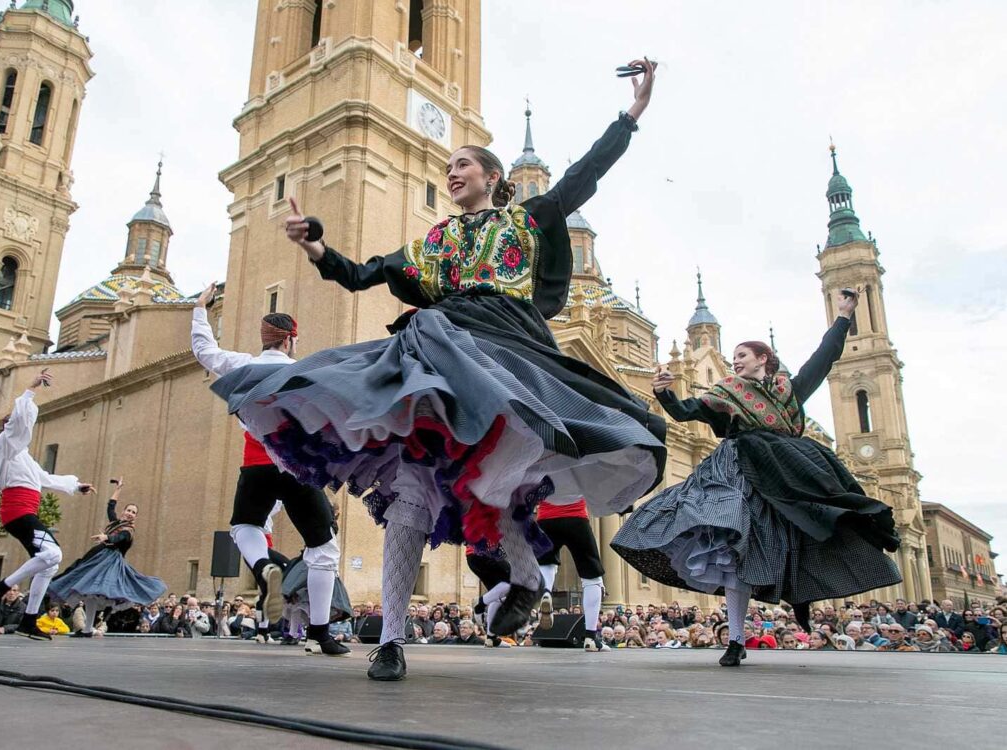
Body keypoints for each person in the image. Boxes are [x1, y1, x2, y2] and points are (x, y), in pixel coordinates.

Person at [212, 59, 666, 682]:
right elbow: (362, 272)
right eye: (448, 167)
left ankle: (527, 578)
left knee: (493, 483)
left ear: (493, 177)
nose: (451, 174)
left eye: (462, 166)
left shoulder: (526, 221)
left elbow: (585, 176)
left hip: (506, 353)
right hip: (438, 350)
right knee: (410, 495)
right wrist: (315, 244)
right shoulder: (436, 243)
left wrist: (632, 115)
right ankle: (392, 640)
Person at [612, 288, 902, 667]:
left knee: (800, 538)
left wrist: (844, 317)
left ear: (763, 359)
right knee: (734, 551)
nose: (735, 363)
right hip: (737, 471)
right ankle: (735, 639)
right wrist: (664, 394)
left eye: (742, 357)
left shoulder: (789, 392)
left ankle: (801, 595)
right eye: (732, 359)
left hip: (787, 473)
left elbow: (824, 358)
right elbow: (686, 412)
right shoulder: (726, 395)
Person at [191, 287, 347, 657]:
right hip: (297, 467)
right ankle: (319, 634)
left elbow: (204, 350)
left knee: (245, 525)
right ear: (291, 340)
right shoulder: (305, 371)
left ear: (264, 338)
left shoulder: (242, 365)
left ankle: (262, 567)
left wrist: (200, 309)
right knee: (323, 549)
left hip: (255, 463)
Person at [0, 369, 96, 640]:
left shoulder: (24, 458)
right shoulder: (4, 448)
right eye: (12, 423)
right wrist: (30, 391)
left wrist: (74, 485)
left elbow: (44, 478)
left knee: (49, 565)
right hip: (17, 511)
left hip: (23, 512)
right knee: (54, 554)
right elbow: (19, 426)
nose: (18, 426)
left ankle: (29, 620)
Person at [47, 477, 166, 638]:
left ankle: (95, 622)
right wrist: (118, 489)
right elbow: (110, 508)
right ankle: (88, 629)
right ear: (124, 512)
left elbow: (120, 538)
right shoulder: (116, 523)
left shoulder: (128, 530)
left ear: (135, 517)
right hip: (98, 557)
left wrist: (106, 538)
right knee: (89, 595)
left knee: (95, 591)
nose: (130, 514)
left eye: (133, 512)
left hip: (109, 562)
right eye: (129, 510)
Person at [534, 497, 607, 652]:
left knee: (547, 564)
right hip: (576, 517)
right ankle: (590, 637)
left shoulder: (542, 470)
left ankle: (546, 592)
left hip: (545, 520)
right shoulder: (579, 470)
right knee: (592, 577)